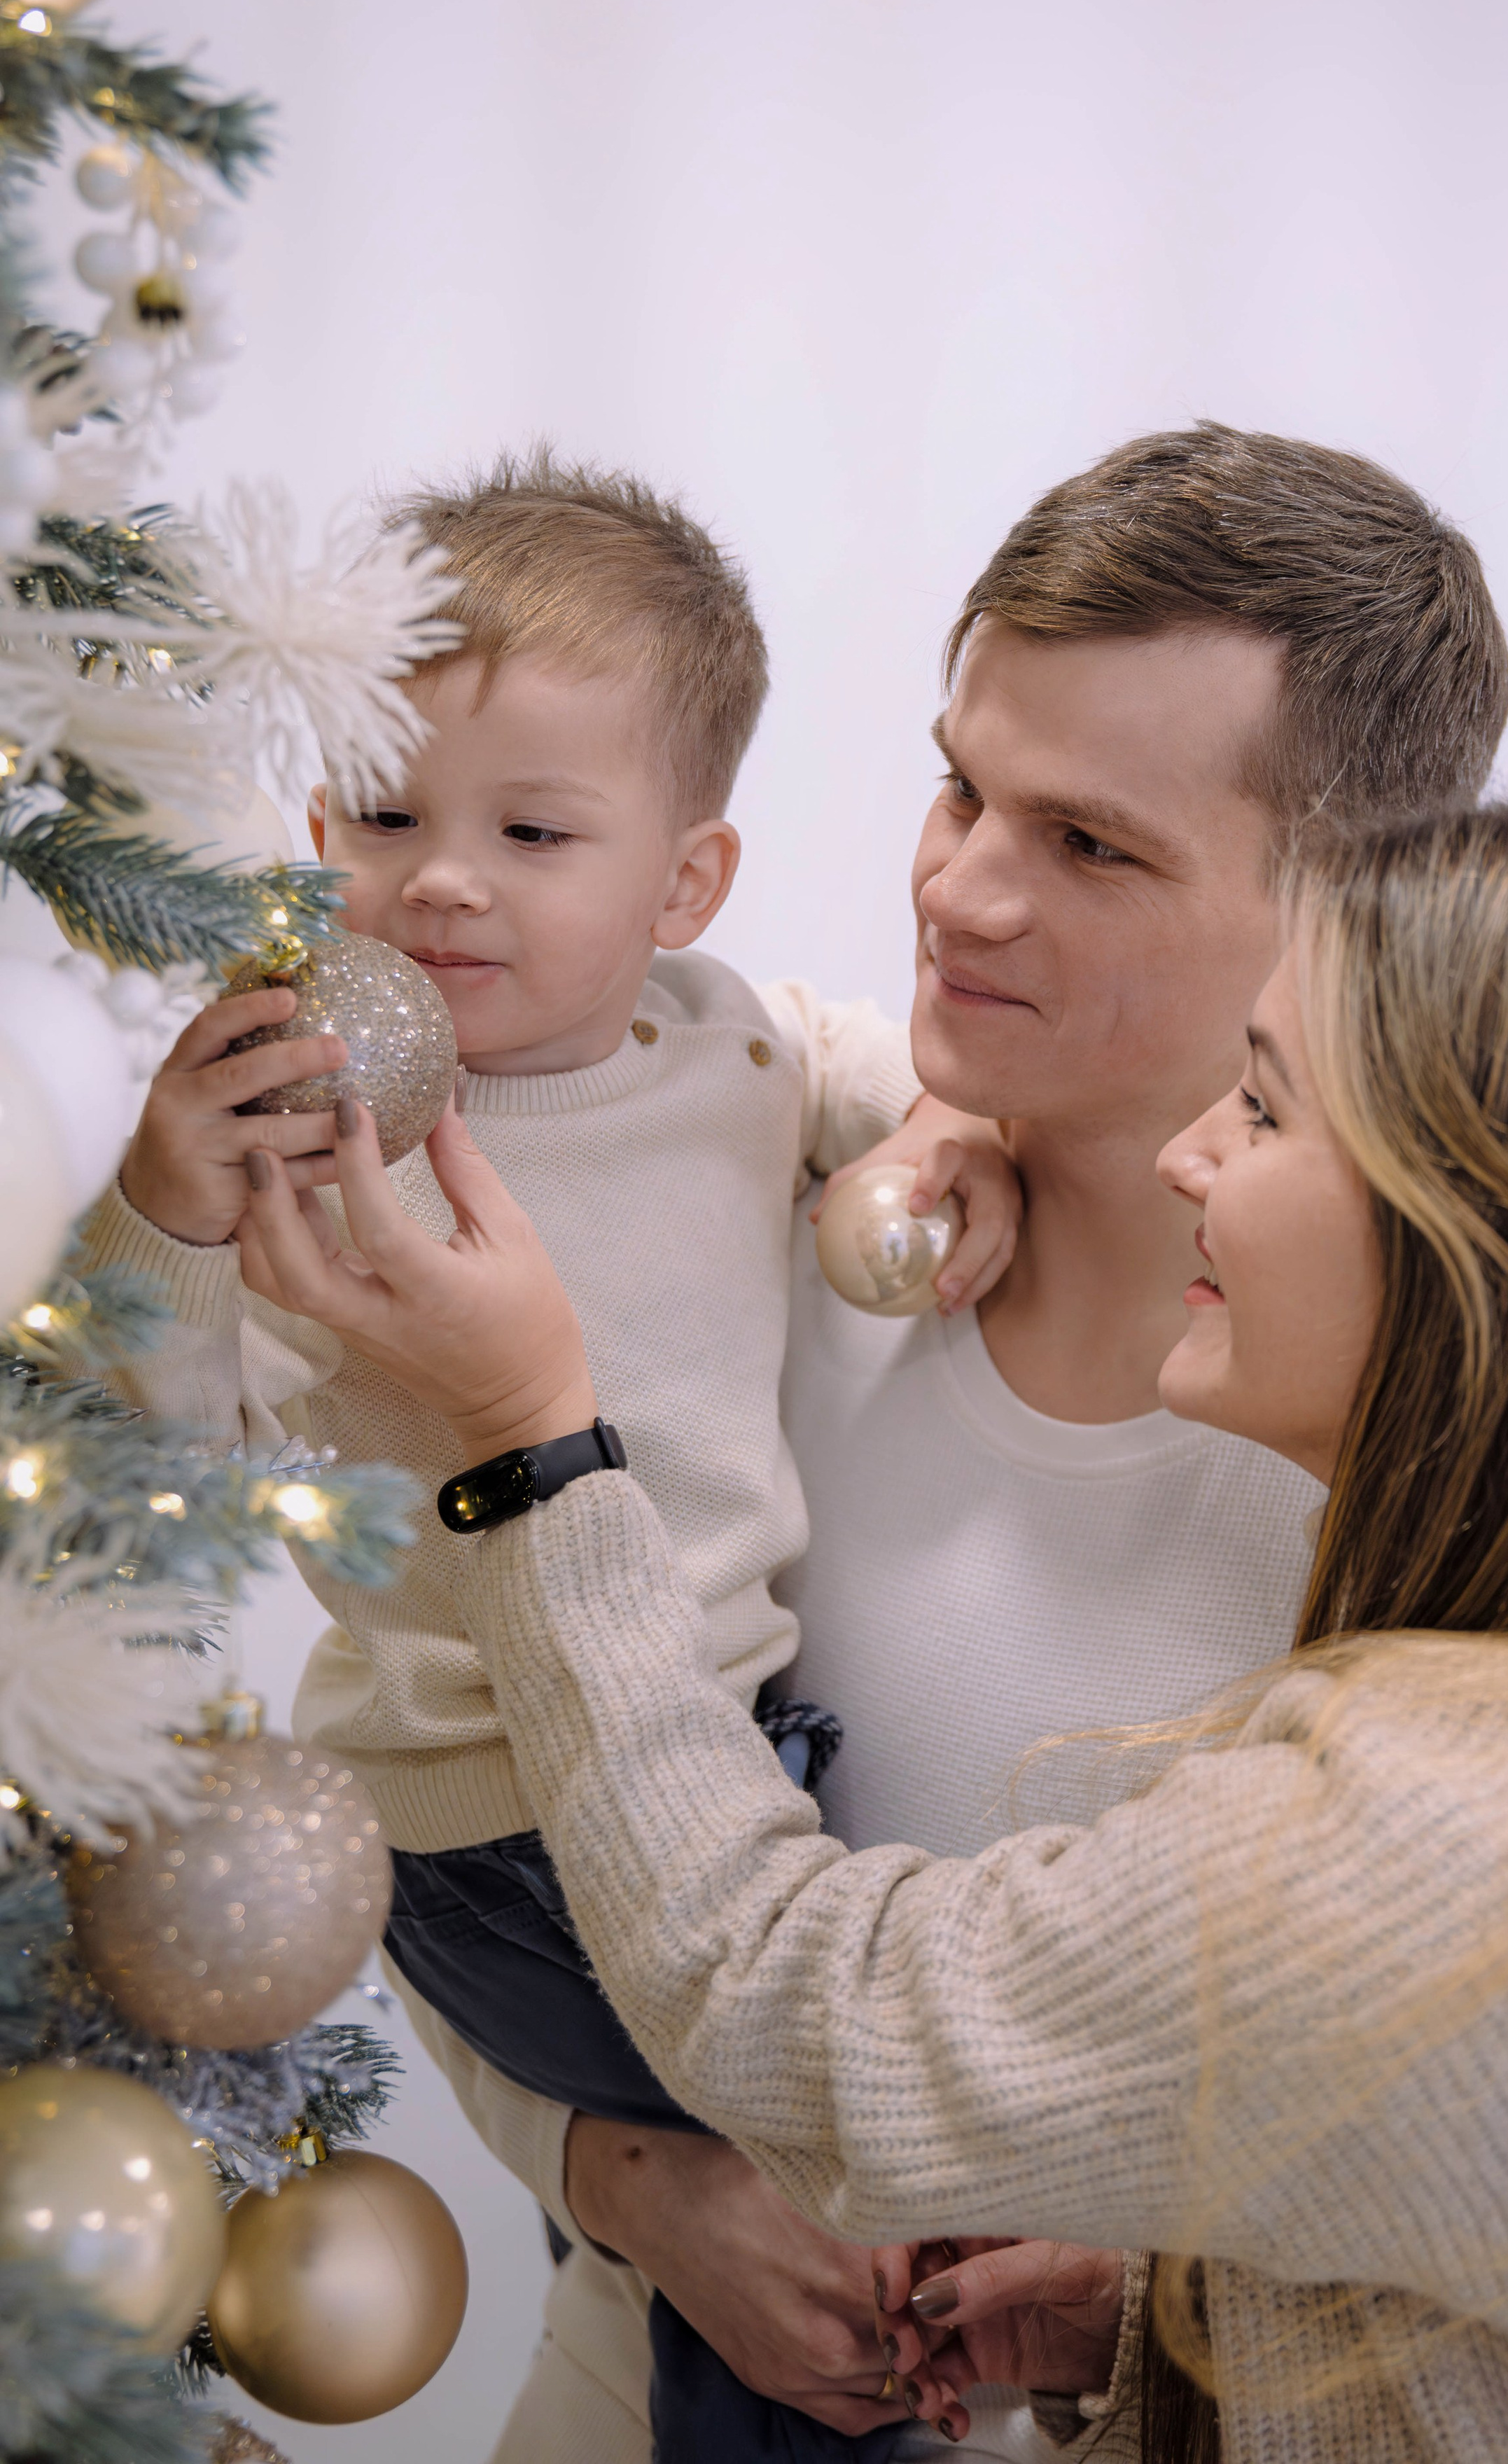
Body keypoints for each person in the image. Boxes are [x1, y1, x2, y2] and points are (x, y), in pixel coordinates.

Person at [236, 798, 1508, 2464]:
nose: (959, 888)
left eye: (1265, 1112)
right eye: (959, 787)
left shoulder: (1475, 1824)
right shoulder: (788, 1269)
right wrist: (1167, 2317)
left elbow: (798, 2011)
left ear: (1477, 1237)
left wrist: (529, 1447)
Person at [409, 422, 1508, 2460]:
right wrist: (632, 2183)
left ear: (1355, 902)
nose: (961, 890)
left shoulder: (1445, 1462)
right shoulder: (715, 1209)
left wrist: (1161, 2313)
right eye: (959, 782)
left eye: (1093, 845)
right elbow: (440, 1803)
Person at [78, 452, 1019, 2464]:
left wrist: (940, 1154)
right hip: (492, 1815)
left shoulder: (730, 1047)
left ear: (683, 882)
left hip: (721, 1764)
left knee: (809, 2195)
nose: (441, 880)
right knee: (788, 2235)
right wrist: (165, 1201)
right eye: (389, 815)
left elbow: (881, 1086)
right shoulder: (313, 1129)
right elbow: (131, 1438)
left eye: (531, 829)